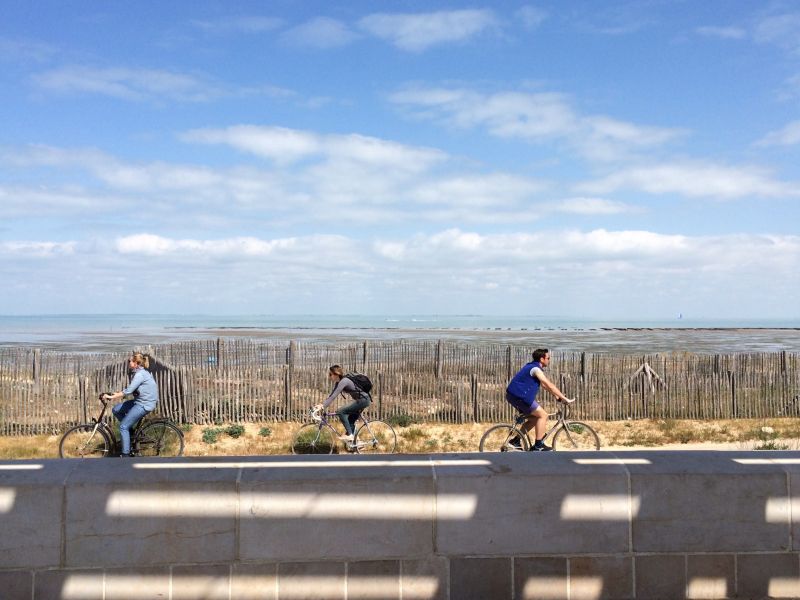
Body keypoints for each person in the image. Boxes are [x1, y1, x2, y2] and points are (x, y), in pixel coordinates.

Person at [505, 348, 573, 451]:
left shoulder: (531, 366)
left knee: (534, 419)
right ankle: (538, 445)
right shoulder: (535, 369)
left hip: (514, 395)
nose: (549, 360)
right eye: (548, 358)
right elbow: (548, 384)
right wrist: (564, 398)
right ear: (542, 359)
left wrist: (556, 396)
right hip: (521, 396)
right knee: (543, 415)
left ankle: (515, 441)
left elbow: (544, 386)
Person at [102, 352, 159, 457]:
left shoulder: (140, 374)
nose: (128, 363)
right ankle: (130, 432)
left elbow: (128, 391)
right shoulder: (137, 372)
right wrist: (116, 394)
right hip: (139, 401)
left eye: (130, 361)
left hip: (144, 404)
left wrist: (111, 397)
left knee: (123, 426)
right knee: (116, 410)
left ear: (136, 363)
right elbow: (132, 390)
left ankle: (126, 455)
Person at [314, 365, 371, 442]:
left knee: (340, 411)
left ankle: (350, 435)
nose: (329, 376)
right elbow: (331, 395)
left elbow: (334, 396)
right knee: (350, 421)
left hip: (363, 400)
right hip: (360, 400)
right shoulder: (338, 383)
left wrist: (323, 406)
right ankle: (357, 442)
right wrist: (321, 405)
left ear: (336, 374)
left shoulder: (344, 381)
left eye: (330, 374)